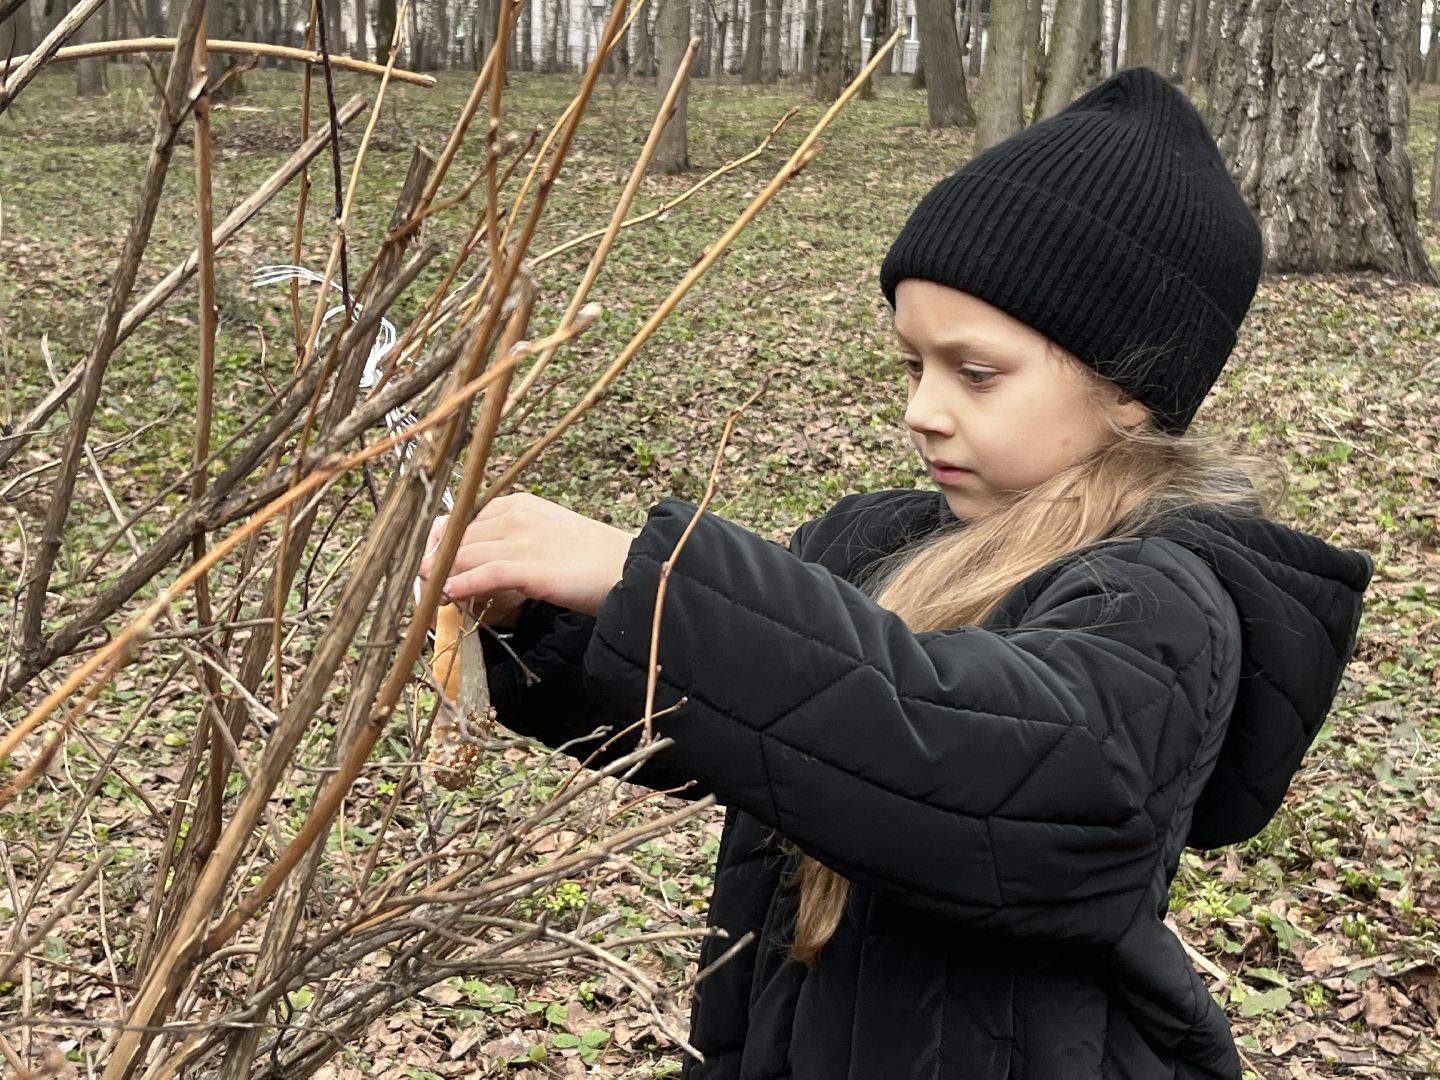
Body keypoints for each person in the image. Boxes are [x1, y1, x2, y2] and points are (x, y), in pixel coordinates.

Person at [419, 68, 1371, 1080]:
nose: (922, 407)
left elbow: (995, 765)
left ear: (1131, 392)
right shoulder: (875, 544)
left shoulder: (1163, 599)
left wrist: (658, 579)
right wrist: (545, 620)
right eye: (911, 365)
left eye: (974, 371)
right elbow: (741, 721)